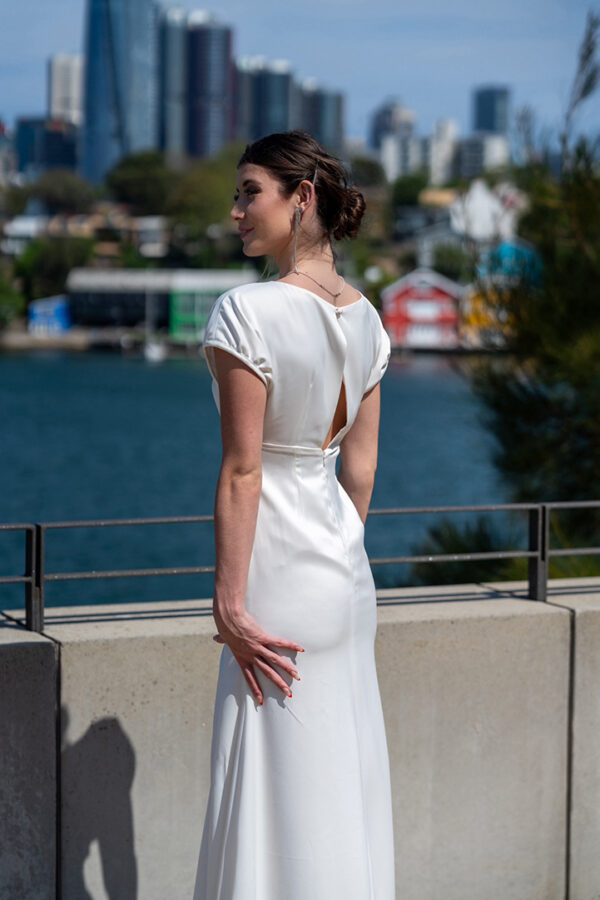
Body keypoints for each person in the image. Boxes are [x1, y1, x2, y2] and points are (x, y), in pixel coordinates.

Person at [194, 130, 394, 900]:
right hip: (344, 572)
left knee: (270, 787)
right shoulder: (369, 318)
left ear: (300, 197)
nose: (236, 209)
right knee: (338, 783)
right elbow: (362, 470)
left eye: (250, 191)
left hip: (275, 571)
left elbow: (245, 469)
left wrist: (229, 601)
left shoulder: (247, 311)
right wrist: (337, 552)